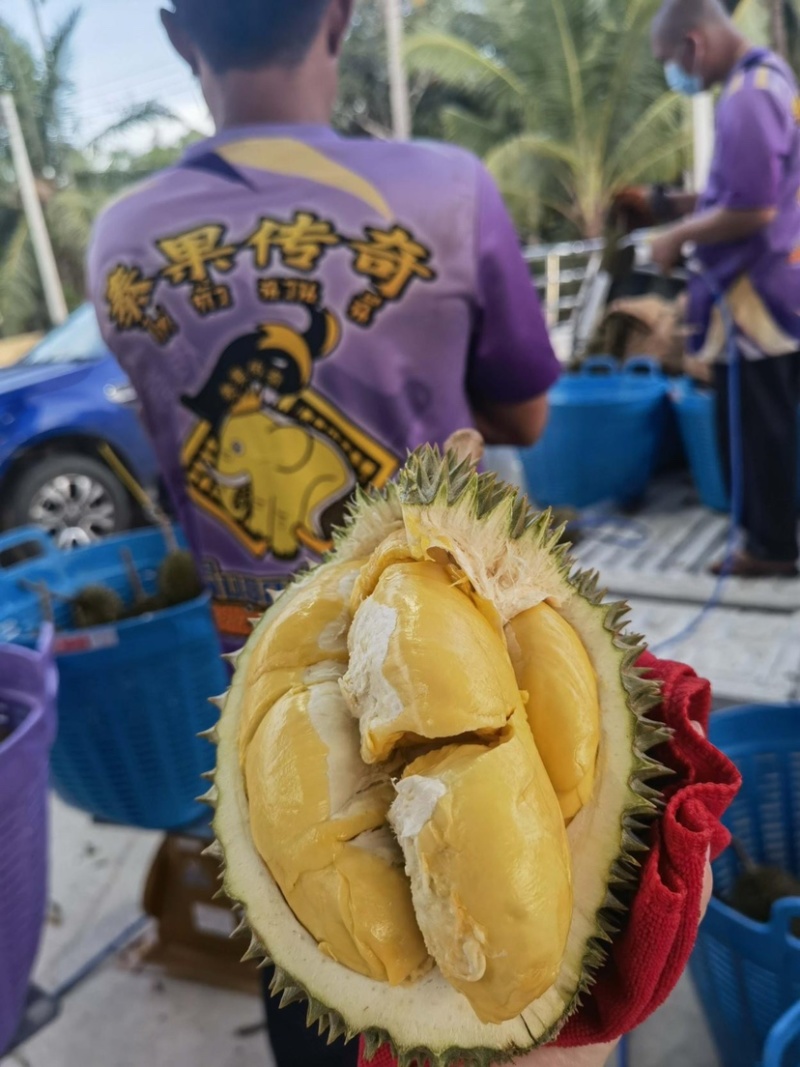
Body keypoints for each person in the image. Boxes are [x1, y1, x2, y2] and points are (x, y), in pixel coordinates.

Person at [86, 2, 561, 1063]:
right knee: (494, 937)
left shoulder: (120, 238)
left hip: (260, 698)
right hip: (456, 674)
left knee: (315, 954)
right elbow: (524, 415)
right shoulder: (445, 190)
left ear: (174, 34)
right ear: (340, 15)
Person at [650, 0, 800, 578]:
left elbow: (754, 209)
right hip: (777, 284)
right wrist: (674, 205)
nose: (676, 73)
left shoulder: (745, 98)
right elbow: (747, 189)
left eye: (672, 61)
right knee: (774, 422)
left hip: (753, 296)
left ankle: (769, 549)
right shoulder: (773, 77)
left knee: (756, 430)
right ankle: (774, 536)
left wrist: (676, 236)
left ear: (696, 44)